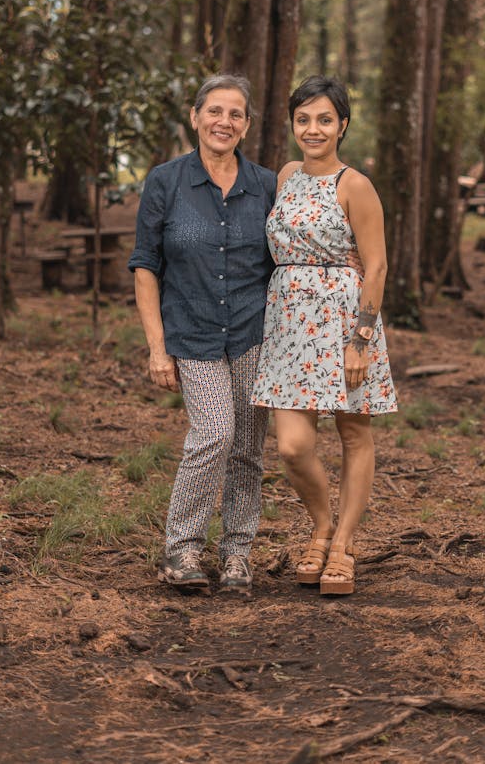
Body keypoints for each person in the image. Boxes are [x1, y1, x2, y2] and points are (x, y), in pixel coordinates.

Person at [128, 74, 276, 593]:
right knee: (214, 433)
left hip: (253, 334)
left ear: (247, 126)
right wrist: (156, 348)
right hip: (190, 334)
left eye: (235, 114)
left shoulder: (265, 184)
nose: (224, 122)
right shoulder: (166, 181)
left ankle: (237, 552)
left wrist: (347, 259)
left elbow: (292, 250)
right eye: (215, 111)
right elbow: (146, 266)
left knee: (248, 449)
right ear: (195, 117)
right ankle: (182, 548)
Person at [251, 75, 397, 595]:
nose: (313, 129)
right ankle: (320, 523)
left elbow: (376, 267)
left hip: (343, 326)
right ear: (293, 124)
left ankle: (344, 544)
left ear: (343, 126)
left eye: (325, 119)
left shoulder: (354, 185)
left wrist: (360, 339)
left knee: (354, 434)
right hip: (289, 326)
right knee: (291, 446)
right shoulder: (287, 174)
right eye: (303, 119)